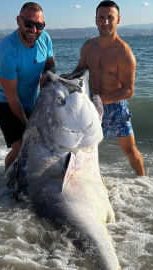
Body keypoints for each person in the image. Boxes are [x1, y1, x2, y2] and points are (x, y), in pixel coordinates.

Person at [61, 0, 145, 176]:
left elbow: (128, 91)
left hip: (114, 106)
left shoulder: (124, 53)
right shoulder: (88, 47)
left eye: (110, 18)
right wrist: (67, 77)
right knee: (82, 150)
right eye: (101, 18)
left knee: (130, 151)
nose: (105, 22)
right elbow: (80, 71)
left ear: (118, 20)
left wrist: (98, 100)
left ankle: (142, 180)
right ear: (96, 20)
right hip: (89, 106)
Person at [0, 2, 55, 172]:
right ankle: (7, 181)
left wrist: (46, 75)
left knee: (38, 147)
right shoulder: (6, 51)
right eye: (29, 24)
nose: (34, 30)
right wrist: (29, 127)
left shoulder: (44, 38)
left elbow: (50, 64)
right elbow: (12, 97)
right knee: (21, 147)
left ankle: (28, 179)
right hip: (4, 101)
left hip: (30, 99)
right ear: (19, 20)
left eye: (39, 25)